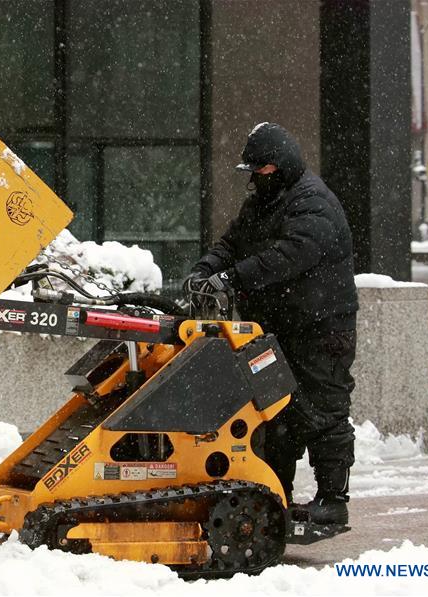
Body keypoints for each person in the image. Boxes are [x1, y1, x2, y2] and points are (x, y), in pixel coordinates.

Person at [184, 122, 358, 525]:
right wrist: (206, 270)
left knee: (324, 411)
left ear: (281, 165)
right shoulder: (262, 201)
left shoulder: (313, 202)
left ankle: (333, 499)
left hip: (321, 328)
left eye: (260, 170)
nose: (255, 178)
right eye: (252, 171)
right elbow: (231, 243)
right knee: (277, 413)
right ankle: (277, 493)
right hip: (279, 328)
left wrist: (232, 278)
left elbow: (290, 255)